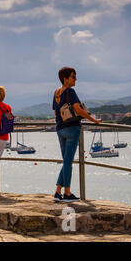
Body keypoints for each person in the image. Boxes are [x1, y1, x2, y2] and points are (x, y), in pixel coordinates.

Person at [53, 67, 102, 203]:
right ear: (65, 78)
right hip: (72, 129)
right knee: (68, 162)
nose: (75, 79)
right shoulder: (70, 91)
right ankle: (67, 194)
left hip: (60, 129)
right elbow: (77, 109)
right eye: (73, 76)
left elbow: (56, 113)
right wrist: (93, 120)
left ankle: (58, 192)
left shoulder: (56, 92)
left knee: (66, 162)